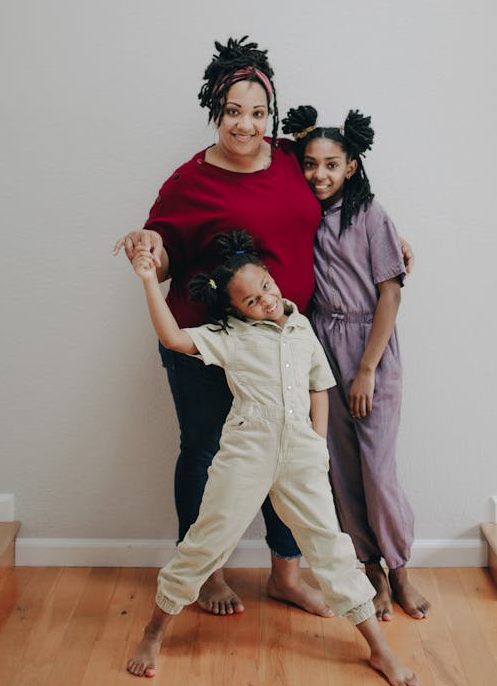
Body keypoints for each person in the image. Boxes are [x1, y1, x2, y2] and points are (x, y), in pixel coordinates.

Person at [114, 36, 413, 617]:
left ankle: (286, 575)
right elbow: (166, 246)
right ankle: (208, 575)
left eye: (257, 113)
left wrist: (390, 245)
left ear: (270, 115)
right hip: (210, 345)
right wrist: (151, 246)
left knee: (291, 451)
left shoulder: (289, 161)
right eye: (233, 112)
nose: (245, 125)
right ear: (215, 111)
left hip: (286, 344)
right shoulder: (189, 180)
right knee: (203, 453)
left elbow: (341, 196)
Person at [124, 230, 418, 686]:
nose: (264, 299)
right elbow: (174, 338)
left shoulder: (302, 328)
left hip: (301, 452)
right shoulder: (229, 337)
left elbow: (319, 384)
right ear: (234, 311)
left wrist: (317, 446)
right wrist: (147, 282)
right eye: (249, 300)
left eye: (264, 285)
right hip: (248, 450)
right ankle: (154, 632)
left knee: (330, 546)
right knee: (207, 540)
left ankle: (378, 647)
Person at [282, 105, 430, 623]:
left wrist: (366, 369)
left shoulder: (371, 215)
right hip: (322, 344)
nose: (318, 173)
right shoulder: (301, 212)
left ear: (351, 166)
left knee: (377, 470)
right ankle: (370, 570)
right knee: (340, 470)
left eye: (331, 163)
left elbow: (390, 294)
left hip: (369, 347)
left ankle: (401, 569)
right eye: (309, 163)